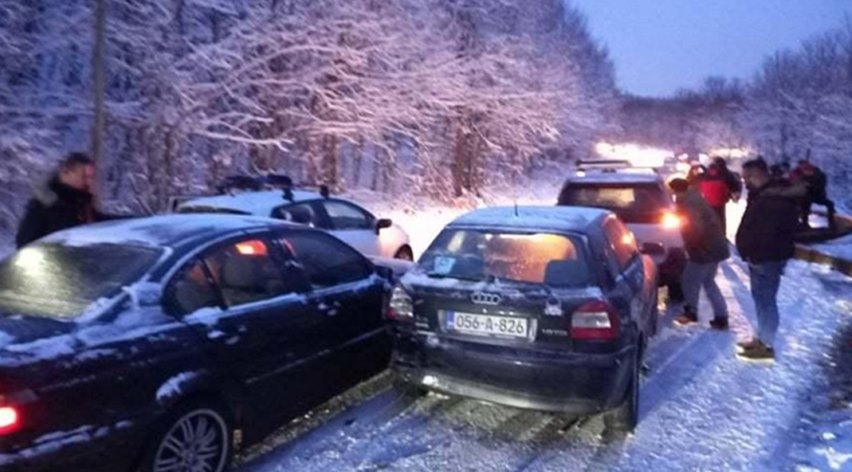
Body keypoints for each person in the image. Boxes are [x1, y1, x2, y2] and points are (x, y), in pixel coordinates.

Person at [735, 158, 801, 361]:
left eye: (748, 177)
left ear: (760, 174)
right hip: (760, 257)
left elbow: (771, 232)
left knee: (766, 302)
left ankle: (766, 346)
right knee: (761, 301)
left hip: (767, 257)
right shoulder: (763, 194)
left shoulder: (775, 198)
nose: (745, 182)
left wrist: (755, 254)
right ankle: (761, 339)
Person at [669, 178, 730, 329]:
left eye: (674, 192)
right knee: (709, 282)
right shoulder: (694, 198)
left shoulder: (690, 204)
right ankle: (721, 316)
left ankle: (691, 312)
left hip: (704, 248)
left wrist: (691, 245)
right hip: (714, 247)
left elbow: (696, 227)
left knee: (689, 280)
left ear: (678, 190)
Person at [16, 153, 110, 248]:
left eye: (91, 177)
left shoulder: (80, 202)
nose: (89, 182)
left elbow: (97, 222)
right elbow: (24, 245)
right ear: (66, 172)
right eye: (84, 176)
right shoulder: (44, 204)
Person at [792, 160, 836, 230]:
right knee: (799, 204)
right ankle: (802, 224)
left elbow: (820, 187)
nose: (802, 170)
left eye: (804, 167)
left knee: (830, 204)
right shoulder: (799, 173)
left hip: (817, 195)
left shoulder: (819, 175)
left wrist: (809, 186)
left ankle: (832, 224)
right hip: (804, 196)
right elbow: (793, 179)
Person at [696, 163, 731, 234]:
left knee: (710, 220)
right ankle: (722, 234)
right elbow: (726, 191)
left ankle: (711, 235)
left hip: (709, 203)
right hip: (720, 204)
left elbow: (700, 191)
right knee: (721, 220)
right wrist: (726, 199)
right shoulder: (721, 178)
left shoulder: (704, 180)